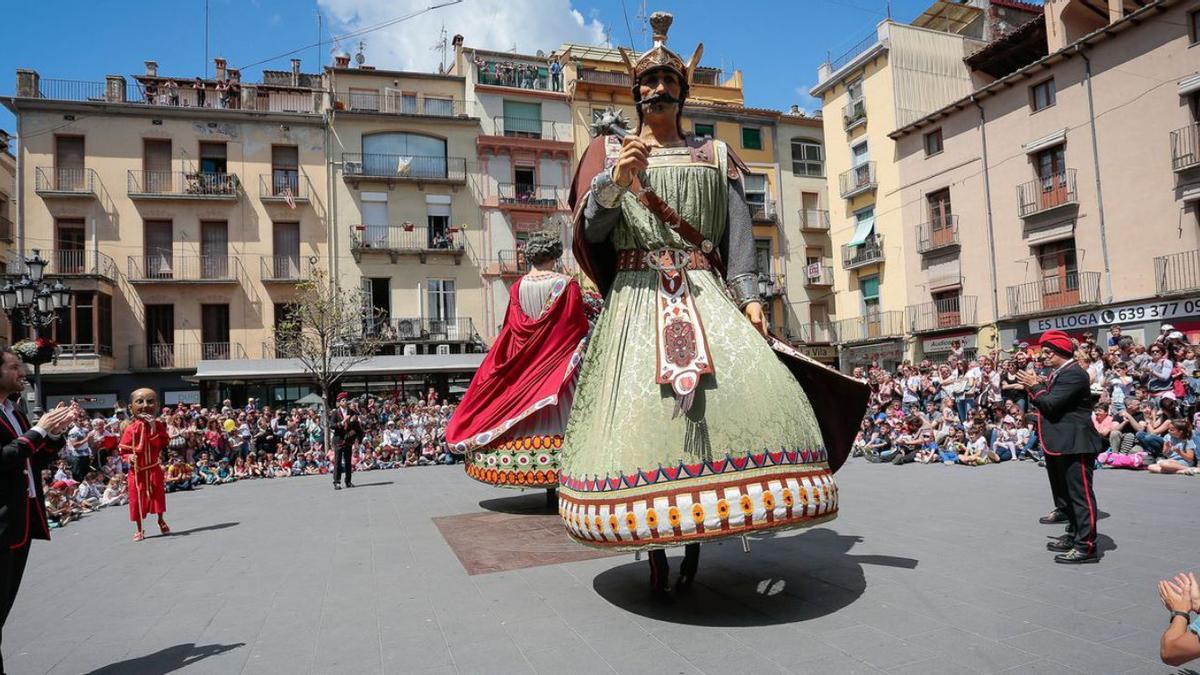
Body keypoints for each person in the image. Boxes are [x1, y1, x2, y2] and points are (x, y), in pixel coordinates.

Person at [562, 11, 867, 601]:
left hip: (703, 293)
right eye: (647, 84)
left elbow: (738, 238)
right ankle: (652, 551)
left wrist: (751, 301)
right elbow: (593, 234)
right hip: (636, 300)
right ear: (635, 93)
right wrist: (612, 185)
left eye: (667, 83)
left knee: (718, 414)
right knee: (645, 426)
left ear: (682, 92)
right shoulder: (615, 158)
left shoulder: (715, 157)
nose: (657, 91)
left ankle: (697, 544)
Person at [446, 230, 592, 501]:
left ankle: (528, 468)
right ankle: (572, 470)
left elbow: (514, 329)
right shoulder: (566, 284)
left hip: (528, 362)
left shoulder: (517, 287)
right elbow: (573, 325)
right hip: (560, 362)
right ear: (555, 255)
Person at [0, 348, 73, 674]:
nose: (22, 372)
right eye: (14, 366)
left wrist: (54, 434)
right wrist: (38, 431)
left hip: (20, 522)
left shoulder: (14, 410)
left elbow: (32, 460)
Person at [1018, 330, 1105, 564]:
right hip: (1059, 443)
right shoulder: (1059, 373)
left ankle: (1086, 546)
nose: (1042, 357)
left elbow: (1051, 404)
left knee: (1080, 496)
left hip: (1075, 443)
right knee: (1065, 495)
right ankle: (1073, 534)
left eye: (1047, 352)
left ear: (1061, 352)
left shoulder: (1075, 373)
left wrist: (1035, 386)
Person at [120, 388, 170, 541]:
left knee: (158, 497)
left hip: (153, 468)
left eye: (150, 401)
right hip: (137, 472)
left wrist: (153, 427)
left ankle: (161, 519)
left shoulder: (159, 425)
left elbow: (161, 444)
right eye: (139, 401)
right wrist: (129, 458)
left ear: (157, 405)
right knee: (136, 502)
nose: (145, 405)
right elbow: (123, 451)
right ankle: (139, 529)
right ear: (131, 407)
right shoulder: (130, 428)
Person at [331, 393, 360, 489]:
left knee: (348, 461)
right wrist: (342, 422)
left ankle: (348, 481)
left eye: (345, 400)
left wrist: (352, 421)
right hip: (338, 439)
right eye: (342, 400)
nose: (344, 401)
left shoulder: (351, 411)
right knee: (338, 461)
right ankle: (336, 482)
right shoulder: (335, 412)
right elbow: (332, 425)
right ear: (339, 402)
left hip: (348, 439)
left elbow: (356, 426)